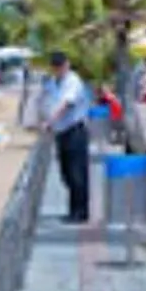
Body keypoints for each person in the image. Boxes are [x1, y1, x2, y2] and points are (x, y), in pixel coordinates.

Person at [39, 51, 92, 225]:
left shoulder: (73, 81)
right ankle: (73, 209)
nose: (58, 69)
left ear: (67, 64)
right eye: (55, 67)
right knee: (66, 172)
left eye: (61, 66)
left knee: (77, 172)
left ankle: (80, 212)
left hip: (75, 130)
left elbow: (65, 105)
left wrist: (49, 121)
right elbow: (46, 101)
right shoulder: (53, 82)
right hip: (61, 132)